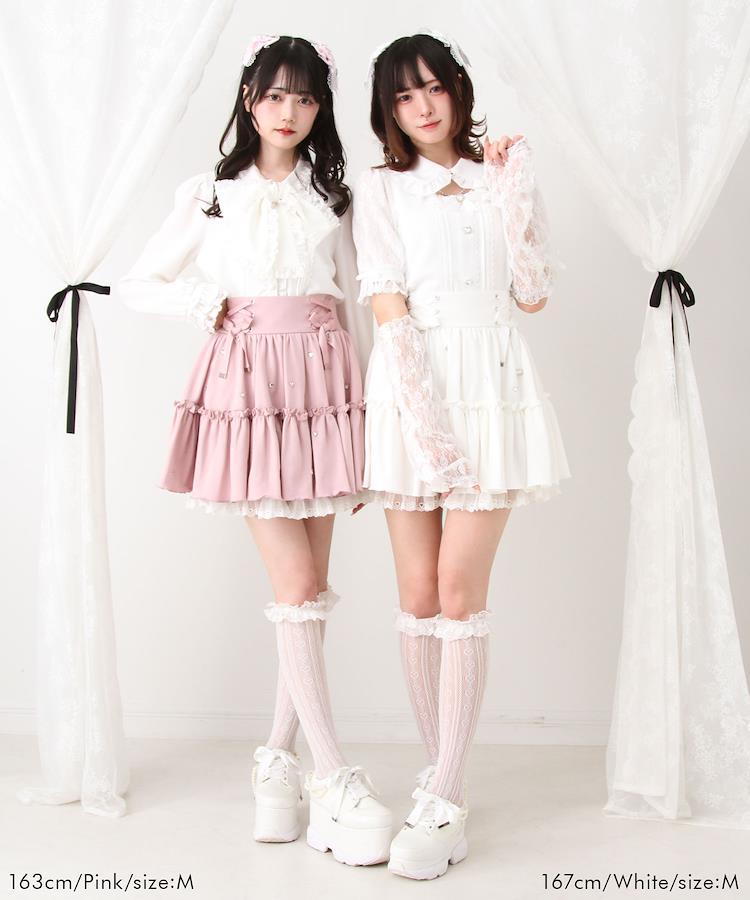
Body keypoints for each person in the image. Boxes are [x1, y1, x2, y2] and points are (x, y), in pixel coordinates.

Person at [117, 34, 392, 868]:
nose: (289, 112)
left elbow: (356, 303)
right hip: (247, 390)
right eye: (275, 96)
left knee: (308, 597)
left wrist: (372, 423)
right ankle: (332, 775)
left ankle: (277, 765)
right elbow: (138, 281)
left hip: (325, 389)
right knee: (297, 587)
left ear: (320, 108)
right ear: (249, 99)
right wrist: (208, 303)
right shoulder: (209, 196)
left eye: (305, 99)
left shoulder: (334, 196)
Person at [352, 30, 571, 880]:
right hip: (413, 386)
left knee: (457, 590)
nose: (423, 106)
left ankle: (444, 797)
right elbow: (384, 296)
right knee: (415, 593)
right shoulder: (382, 187)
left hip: (493, 388)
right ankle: (440, 784)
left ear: (458, 91)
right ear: (389, 110)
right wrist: (424, 420)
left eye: (434, 87)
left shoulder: (498, 176)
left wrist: (513, 189)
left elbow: (533, 292)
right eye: (404, 96)